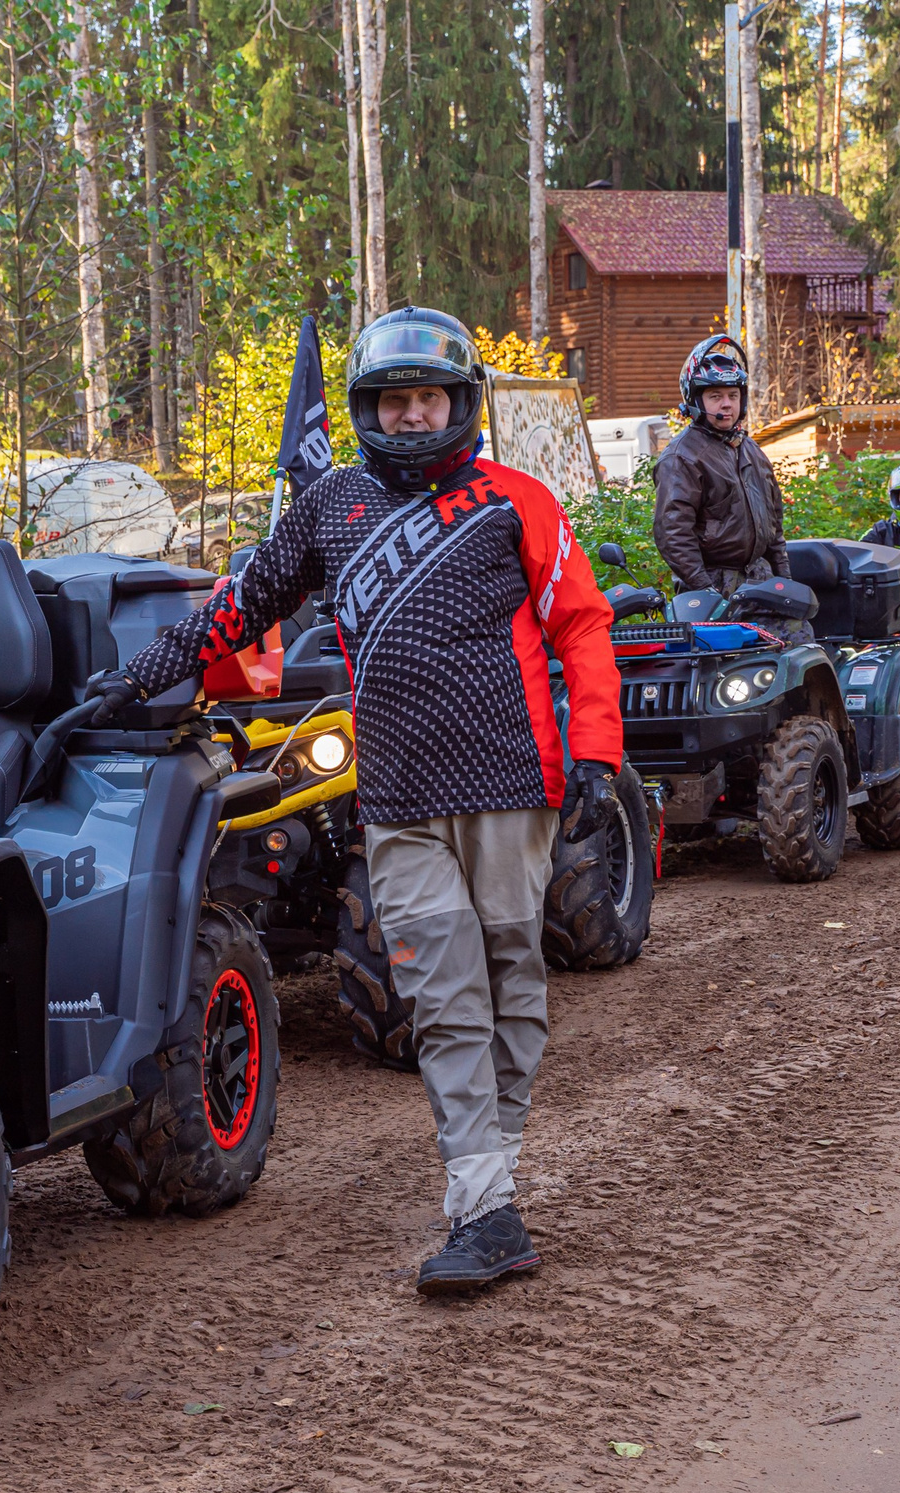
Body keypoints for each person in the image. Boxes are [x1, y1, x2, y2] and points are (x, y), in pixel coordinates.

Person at [93, 307, 625, 1298]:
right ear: (366, 409)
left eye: (428, 399)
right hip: (394, 797)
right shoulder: (330, 507)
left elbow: (583, 624)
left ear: (460, 404)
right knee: (444, 996)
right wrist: (135, 677)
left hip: (516, 783)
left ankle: (491, 1185)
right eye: (394, 400)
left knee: (510, 983)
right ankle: (485, 1209)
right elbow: (237, 607)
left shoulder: (517, 502)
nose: (413, 416)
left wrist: (596, 751)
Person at [652, 335, 797, 632]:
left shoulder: (752, 451)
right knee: (724, 667)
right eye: (715, 396)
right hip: (712, 583)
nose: (727, 404)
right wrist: (704, 589)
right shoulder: (682, 457)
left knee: (800, 647)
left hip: (760, 577)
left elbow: (774, 525)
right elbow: (673, 531)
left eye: (732, 395)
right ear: (696, 400)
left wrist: (785, 581)